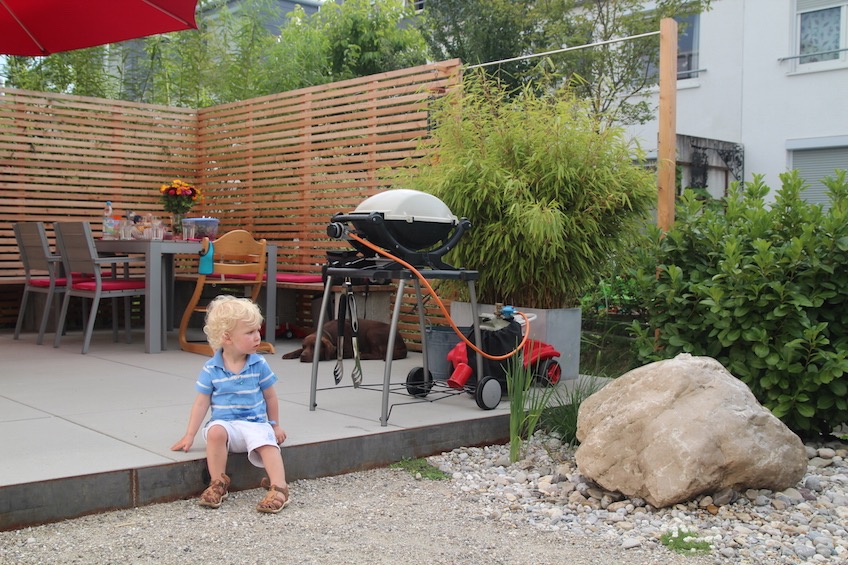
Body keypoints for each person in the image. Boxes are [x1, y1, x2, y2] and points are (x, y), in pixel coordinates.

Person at [171, 295, 290, 513]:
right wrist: (190, 435)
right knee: (215, 432)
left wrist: (274, 424)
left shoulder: (258, 363)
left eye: (257, 330)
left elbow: (270, 396)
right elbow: (201, 403)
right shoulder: (211, 368)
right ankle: (218, 483)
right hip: (226, 425)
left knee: (267, 442)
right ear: (227, 337)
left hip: (254, 423)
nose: (257, 337)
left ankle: (279, 486)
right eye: (250, 332)